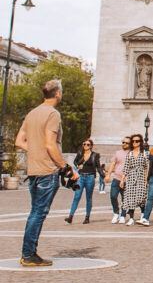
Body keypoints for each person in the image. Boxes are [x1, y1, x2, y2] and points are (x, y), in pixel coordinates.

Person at [15, 78, 77, 267]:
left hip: (33, 170)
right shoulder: (52, 114)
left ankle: (29, 252)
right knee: (39, 213)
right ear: (57, 93)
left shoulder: (32, 113)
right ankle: (28, 254)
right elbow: (50, 144)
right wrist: (65, 167)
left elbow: (19, 141)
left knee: (35, 212)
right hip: (47, 170)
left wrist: (35, 151)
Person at [65, 138, 101, 224]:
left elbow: (98, 166)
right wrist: (78, 166)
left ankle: (87, 217)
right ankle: (70, 216)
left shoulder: (95, 155)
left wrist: (103, 175)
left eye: (88, 144)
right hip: (81, 177)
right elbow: (75, 161)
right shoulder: (80, 153)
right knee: (77, 196)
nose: (85, 146)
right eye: (84, 144)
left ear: (91, 146)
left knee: (88, 198)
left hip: (90, 177)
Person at [120, 134, 149, 224]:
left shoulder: (145, 153)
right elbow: (126, 167)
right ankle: (131, 218)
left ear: (141, 142)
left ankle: (143, 214)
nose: (135, 143)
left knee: (141, 197)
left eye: (137, 141)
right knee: (130, 197)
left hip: (141, 175)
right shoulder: (129, 154)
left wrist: (146, 178)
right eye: (133, 141)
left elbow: (148, 166)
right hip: (131, 177)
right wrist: (122, 179)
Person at [105, 136, 129, 223]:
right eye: (123, 142)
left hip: (127, 179)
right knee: (113, 196)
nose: (124, 144)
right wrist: (108, 175)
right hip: (116, 178)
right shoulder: (118, 153)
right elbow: (112, 164)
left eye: (126, 143)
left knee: (125, 198)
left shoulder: (132, 154)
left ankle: (123, 215)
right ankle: (116, 212)